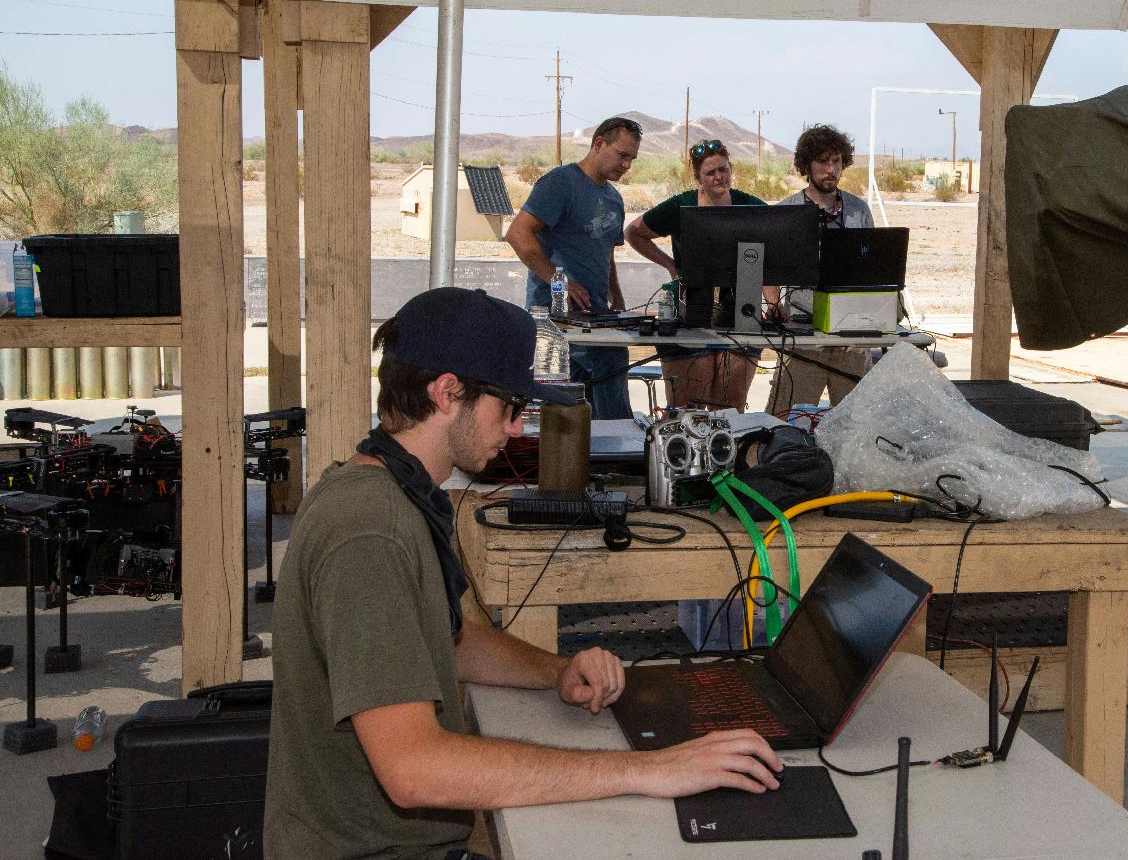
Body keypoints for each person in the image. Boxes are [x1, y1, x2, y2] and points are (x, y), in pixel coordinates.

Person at [264, 287, 783, 860]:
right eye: (509, 405)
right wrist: (650, 769)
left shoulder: (391, 490)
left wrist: (556, 671)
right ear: (447, 392)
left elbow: (447, 643)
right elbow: (414, 770)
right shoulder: (369, 532)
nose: (515, 428)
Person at [505, 115, 640, 420]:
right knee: (610, 360)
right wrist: (558, 280)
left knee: (584, 405)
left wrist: (616, 301)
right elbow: (518, 233)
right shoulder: (561, 183)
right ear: (598, 143)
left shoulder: (613, 198)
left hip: (594, 316)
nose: (626, 165)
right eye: (622, 155)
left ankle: (598, 461)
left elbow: (607, 254)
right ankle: (624, 445)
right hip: (555, 318)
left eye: (632, 159)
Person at [624, 138, 767, 410]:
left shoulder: (750, 205)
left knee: (730, 409)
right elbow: (634, 233)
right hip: (689, 311)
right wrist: (670, 265)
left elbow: (768, 260)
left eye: (723, 169)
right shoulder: (681, 205)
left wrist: (772, 303)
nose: (719, 177)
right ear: (697, 176)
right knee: (685, 409)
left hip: (739, 313)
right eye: (710, 172)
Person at [766, 124, 878, 415]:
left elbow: (872, 267)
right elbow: (770, 270)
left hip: (851, 339)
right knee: (783, 423)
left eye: (836, 161)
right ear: (807, 164)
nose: (831, 169)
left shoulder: (859, 210)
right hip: (802, 337)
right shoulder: (786, 210)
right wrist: (773, 303)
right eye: (823, 161)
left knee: (858, 426)